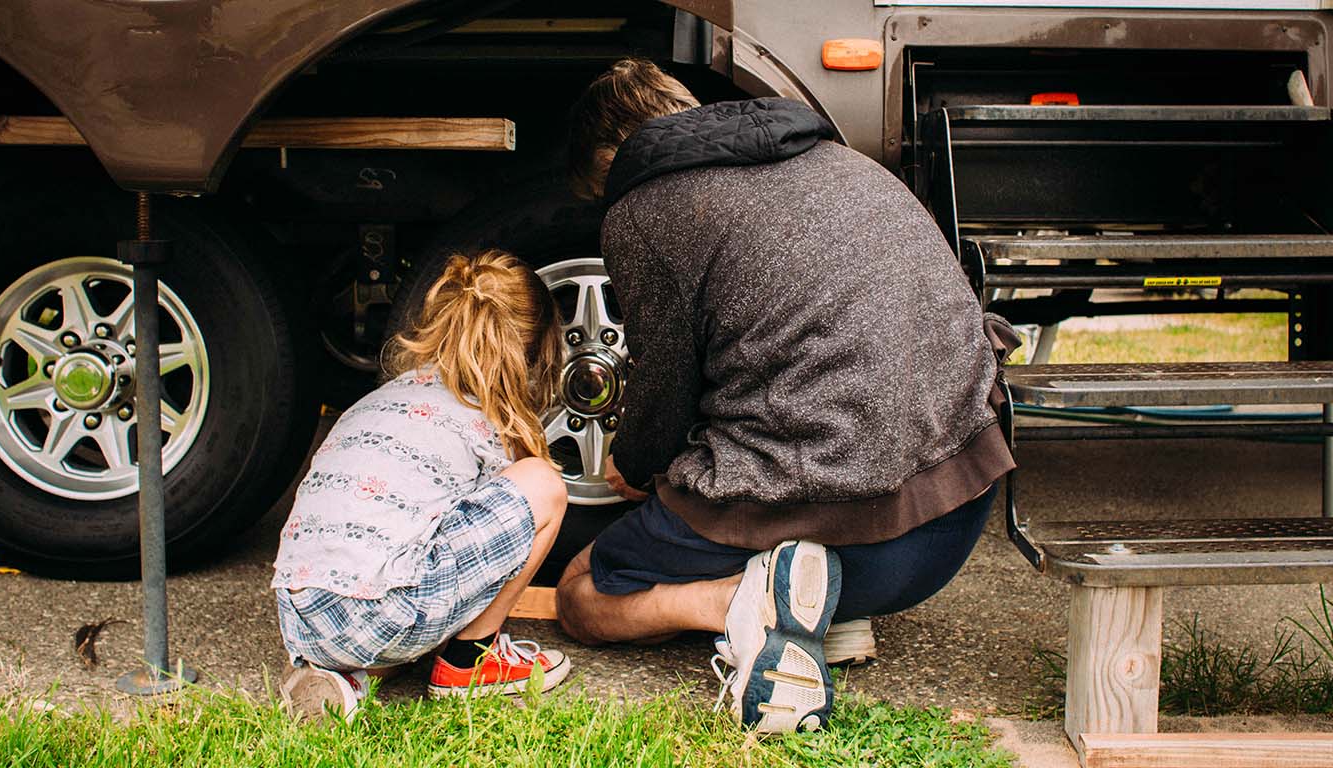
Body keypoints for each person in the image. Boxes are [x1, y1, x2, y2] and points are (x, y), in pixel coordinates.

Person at [555, 59, 1018, 733]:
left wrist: (637, 469)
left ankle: (743, 601)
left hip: (848, 528)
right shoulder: (840, 160)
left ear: (610, 156)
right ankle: (824, 617)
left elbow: (661, 399)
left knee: (582, 593)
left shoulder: (643, 210)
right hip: (952, 525)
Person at [272, 250, 573, 721]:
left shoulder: (385, 397)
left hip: (302, 615)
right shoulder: (487, 415)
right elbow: (496, 551)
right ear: (536, 349)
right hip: (378, 613)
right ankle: (470, 663)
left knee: (395, 565)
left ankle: (342, 677)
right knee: (542, 485)